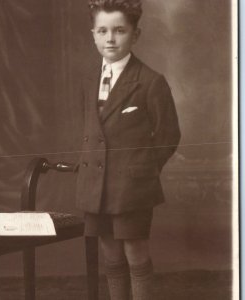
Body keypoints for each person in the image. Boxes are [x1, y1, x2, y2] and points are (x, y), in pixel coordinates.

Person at [75, 0, 181, 299]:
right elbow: (90, 131)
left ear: (135, 34)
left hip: (132, 187)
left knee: (135, 255)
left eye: (120, 30)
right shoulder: (88, 80)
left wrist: (141, 171)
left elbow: (168, 135)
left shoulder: (150, 82)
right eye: (103, 31)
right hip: (97, 186)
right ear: (93, 34)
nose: (110, 38)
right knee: (110, 257)